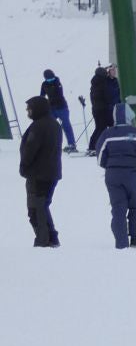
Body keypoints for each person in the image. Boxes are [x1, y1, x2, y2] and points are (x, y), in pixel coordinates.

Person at [95, 100, 136, 248]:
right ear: (129, 117)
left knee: (118, 208)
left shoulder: (107, 134)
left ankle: (121, 242)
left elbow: (100, 156)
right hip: (135, 175)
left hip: (113, 176)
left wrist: (109, 166)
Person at [20, 93, 63, 247]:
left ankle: (44, 241)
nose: (27, 112)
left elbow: (30, 149)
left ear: (37, 109)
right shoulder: (54, 124)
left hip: (38, 174)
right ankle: (51, 237)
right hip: (52, 174)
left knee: (35, 209)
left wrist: (23, 166)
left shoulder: (38, 126)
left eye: (29, 109)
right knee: (42, 206)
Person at [40, 70, 77, 151]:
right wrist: (43, 104)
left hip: (62, 107)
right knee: (49, 126)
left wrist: (50, 100)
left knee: (66, 125)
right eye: (48, 79)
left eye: (51, 78)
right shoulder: (44, 84)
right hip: (51, 109)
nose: (50, 80)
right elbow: (42, 95)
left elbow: (58, 94)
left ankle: (72, 144)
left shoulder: (57, 82)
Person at [87, 65, 120, 152]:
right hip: (103, 109)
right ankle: (94, 146)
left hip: (99, 109)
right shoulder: (101, 83)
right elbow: (106, 95)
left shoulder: (96, 82)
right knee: (102, 127)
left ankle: (94, 145)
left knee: (101, 127)